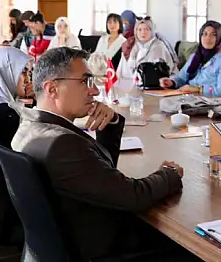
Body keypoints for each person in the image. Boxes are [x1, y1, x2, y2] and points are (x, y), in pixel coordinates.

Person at [12, 48, 185, 261]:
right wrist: (169, 174)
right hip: (101, 248)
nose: (94, 91)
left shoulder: (28, 125)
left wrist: (110, 124)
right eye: (85, 81)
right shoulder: (62, 144)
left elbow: (100, 175)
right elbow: (133, 196)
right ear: (52, 89)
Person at [161, 21, 221, 97]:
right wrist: (172, 82)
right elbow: (181, 78)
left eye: (213, 35)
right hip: (189, 98)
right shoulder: (195, 56)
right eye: (205, 34)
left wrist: (198, 89)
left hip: (212, 102)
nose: (208, 38)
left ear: (219, 38)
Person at [117, 17, 176, 84]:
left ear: (152, 31)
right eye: (139, 30)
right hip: (141, 82)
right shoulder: (137, 46)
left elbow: (153, 72)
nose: (143, 33)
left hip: (159, 84)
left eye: (146, 29)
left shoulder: (158, 47)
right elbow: (129, 68)